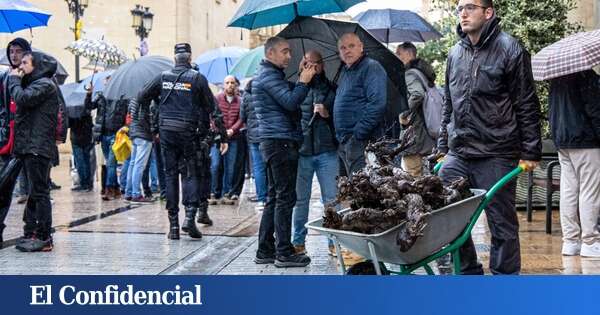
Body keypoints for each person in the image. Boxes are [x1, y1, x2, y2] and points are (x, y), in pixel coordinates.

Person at [436, 0, 541, 274]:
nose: (463, 13)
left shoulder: (510, 49)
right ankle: (468, 271)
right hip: (459, 152)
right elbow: (449, 103)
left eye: (470, 7)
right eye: (460, 8)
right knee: (448, 214)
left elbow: (526, 103)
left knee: (501, 222)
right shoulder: (455, 54)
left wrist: (531, 151)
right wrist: (442, 146)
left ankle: (504, 280)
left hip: (497, 151)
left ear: (488, 12)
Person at [137, 43, 228, 240]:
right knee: (190, 174)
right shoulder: (197, 78)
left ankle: (174, 227)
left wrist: (151, 127)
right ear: (189, 58)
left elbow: (141, 97)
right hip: (188, 132)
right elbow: (214, 110)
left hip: (167, 132)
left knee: (170, 176)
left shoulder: (163, 77)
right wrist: (223, 136)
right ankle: (189, 217)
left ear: (174, 58)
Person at [252, 36, 317, 268]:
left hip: (274, 142)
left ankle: (265, 249)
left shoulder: (270, 76)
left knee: (274, 198)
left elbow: (285, 96)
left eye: (290, 52)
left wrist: (300, 78)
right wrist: (304, 82)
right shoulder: (268, 76)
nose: (289, 56)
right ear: (270, 54)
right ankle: (283, 252)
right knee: (284, 199)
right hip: (280, 143)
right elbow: (291, 102)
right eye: (285, 51)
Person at [9, 51, 60, 252]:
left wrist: (14, 81)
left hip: (37, 147)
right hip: (30, 146)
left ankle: (44, 236)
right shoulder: (36, 83)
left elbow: (23, 99)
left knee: (40, 192)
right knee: (35, 192)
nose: (21, 66)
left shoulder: (45, 85)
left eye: (25, 62)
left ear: (37, 65)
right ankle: (33, 231)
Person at [291, 50, 339, 255]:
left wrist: (327, 114)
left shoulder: (332, 88)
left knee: (331, 199)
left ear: (322, 65)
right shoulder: (295, 88)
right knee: (301, 200)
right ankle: (298, 241)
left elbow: (341, 117)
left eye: (315, 63)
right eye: (307, 63)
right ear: (302, 64)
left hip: (327, 150)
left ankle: (333, 242)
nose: (311, 67)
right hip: (302, 150)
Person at [548, 70, 600, 257]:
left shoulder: (557, 79)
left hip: (563, 141)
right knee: (589, 191)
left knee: (569, 190)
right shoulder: (587, 77)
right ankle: (591, 241)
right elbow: (595, 110)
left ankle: (570, 242)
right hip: (586, 140)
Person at [334, 33, 387, 176]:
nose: (347, 50)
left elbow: (377, 103)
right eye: (343, 48)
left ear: (361, 47)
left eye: (351, 46)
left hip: (361, 141)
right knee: (348, 191)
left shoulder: (371, 67)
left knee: (362, 190)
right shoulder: (345, 71)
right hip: (344, 142)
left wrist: (358, 134)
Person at [0, 37, 31, 246]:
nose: (14, 55)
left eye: (18, 51)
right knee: (2, 186)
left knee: (32, 189)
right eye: (11, 51)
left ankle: (34, 230)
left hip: (26, 140)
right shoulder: (4, 77)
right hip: (5, 139)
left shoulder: (32, 77)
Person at [395, 42, 437, 177]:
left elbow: (417, 94)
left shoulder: (409, 74)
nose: (396, 56)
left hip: (414, 131)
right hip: (425, 129)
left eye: (399, 53)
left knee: (411, 173)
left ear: (408, 54)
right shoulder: (422, 72)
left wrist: (404, 111)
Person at [85, 75, 128, 200]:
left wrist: (124, 129)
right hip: (103, 134)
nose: (106, 84)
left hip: (116, 134)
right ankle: (116, 188)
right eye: (106, 82)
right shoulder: (100, 96)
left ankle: (109, 189)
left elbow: (127, 114)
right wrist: (89, 94)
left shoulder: (122, 97)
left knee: (111, 163)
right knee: (110, 164)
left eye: (109, 81)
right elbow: (89, 107)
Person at [208, 75, 243, 205]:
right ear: (223, 84)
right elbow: (212, 117)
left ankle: (227, 193)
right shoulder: (217, 99)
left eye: (232, 82)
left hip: (233, 138)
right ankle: (213, 192)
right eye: (227, 82)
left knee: (231, 166)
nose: (230, 85)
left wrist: (232, 130)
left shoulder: (240, 101)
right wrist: (221, 131)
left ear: (236, 85)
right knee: (215, 165)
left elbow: (241, 118)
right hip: (217, 137)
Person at [240, 79, 267, 211]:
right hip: (268, 135)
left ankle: (262, 199)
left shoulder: (246, 95)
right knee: (269, 166)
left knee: (258, 168)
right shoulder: (266, 92)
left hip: (254, 137)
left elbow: (242, 116)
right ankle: (271, 196)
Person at [124, 98, 155, 203]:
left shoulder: (132, 99)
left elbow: (130, 117)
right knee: (139, 165)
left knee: (133, 164)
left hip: (134, 134)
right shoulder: (144, 100)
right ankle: (136, 194)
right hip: (143, 135)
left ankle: (128, 192)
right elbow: (144, 119)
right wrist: (152, 129)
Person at [68, 98, 94, 192]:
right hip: (87, 137)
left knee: (80, 162)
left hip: (76, 138)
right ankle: (88, 183)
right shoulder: (86, 108)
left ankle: (84, 184)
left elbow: (68, 124)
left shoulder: (71, 109)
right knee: (86, 160)